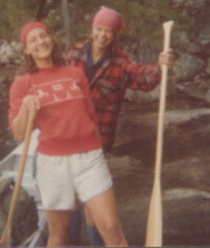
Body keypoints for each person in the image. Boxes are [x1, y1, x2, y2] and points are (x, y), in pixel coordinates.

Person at [9, 21, 129, 247]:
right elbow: (18, 134)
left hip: (89, 159)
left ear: (51, 40)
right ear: (26, 49)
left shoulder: (75, 73)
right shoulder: (22, 83)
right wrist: (26, 107)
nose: (40, 42)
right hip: (52, 165)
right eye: (32, 40)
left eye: (43, 36)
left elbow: (91, 119)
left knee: (111, 229)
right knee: (60, 235)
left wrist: (99, 153)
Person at [67, 5, 174, 245]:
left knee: (92, 201)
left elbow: (143, 78)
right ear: (92, 28)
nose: (102, 35)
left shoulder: (120, 62)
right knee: (70, 196)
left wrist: (160, 66)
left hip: (97, 140)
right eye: (99, 28)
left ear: (114, 35)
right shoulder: (74, 54)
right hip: (70, 135)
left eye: (108, 31)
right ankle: (71, 241)